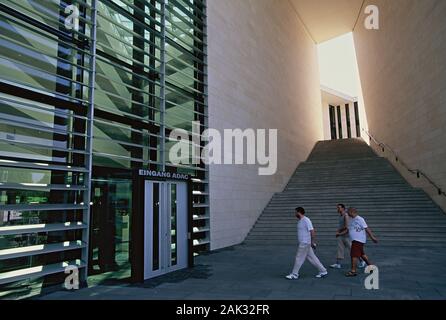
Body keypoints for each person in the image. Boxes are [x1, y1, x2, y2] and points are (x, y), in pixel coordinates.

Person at [286, 207, 328, 280]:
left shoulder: (306, 220)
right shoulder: (300, 221)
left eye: (295, 212)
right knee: (312, 258)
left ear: (299, 212)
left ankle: (294, 274)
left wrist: (313, 242)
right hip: (305, 242)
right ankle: (323, 270)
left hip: (305, 243)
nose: (295, 214)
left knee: (299, 258)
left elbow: (312, 231)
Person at [337, 207, 378, 277]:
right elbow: (348, 230)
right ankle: (371, 267)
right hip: (355, 240)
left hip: (358, 240)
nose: (347, 213)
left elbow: (366, 228)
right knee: (362, 254)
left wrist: (372, 237)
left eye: (348, 212)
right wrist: (339, 234)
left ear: (352, 212)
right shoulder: (350, 220)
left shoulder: (360, 219)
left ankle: (353, 271)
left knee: (354, 255)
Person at [330, 204, 366, 269]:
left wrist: (339, 231)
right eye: (337, 208)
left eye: (339, 208)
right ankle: (338, 264)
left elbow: (346, 226)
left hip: (347, 236)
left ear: (343, 208)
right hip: (341, 235)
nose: (337, 209)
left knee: (353, 249)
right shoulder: (340, 216)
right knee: (340, 249)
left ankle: (362, 261)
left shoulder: (346, 215)